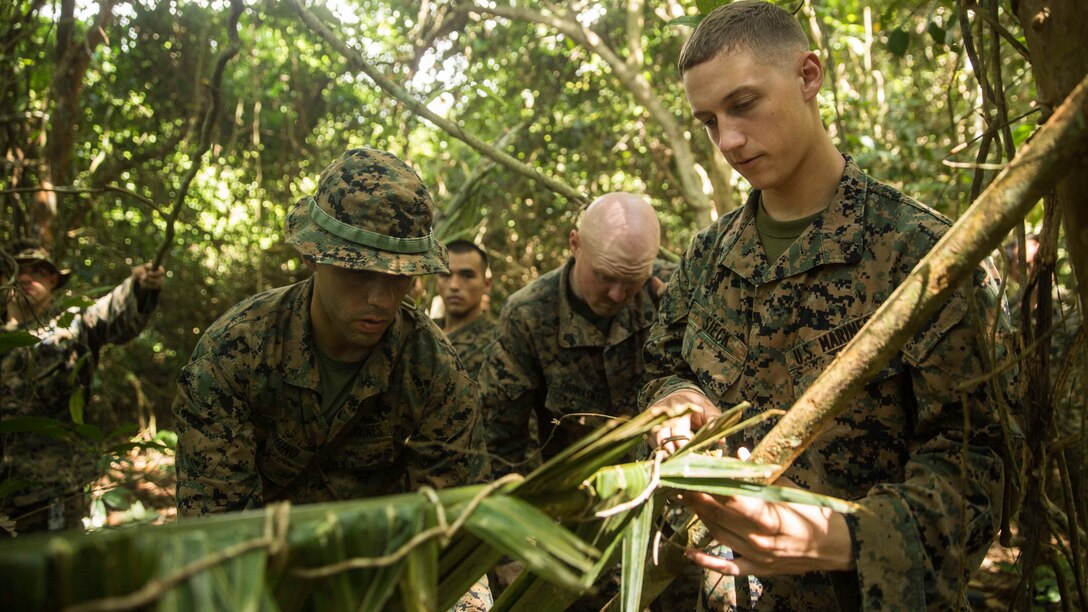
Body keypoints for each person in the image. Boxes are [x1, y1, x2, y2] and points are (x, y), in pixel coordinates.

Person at [643, 2, 1015, 609]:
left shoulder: (926, 255)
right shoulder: (708, 255)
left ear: (808, 76)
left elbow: (984, 463)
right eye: (708, 121)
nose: (728, 141)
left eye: (743, 104)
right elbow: (661, 367)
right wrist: (674, 401)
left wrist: (841, 538)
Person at [172, 148, 492, 609]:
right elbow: (216, 533)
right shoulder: (234, 352)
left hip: (385, 573)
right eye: (359, 272)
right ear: (312, 256)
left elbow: (450, 529)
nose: (381, 298)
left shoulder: (435, 370)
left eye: (399, 276)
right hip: (262, 572)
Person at [478, 192, 674, 477]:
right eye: (605, 276)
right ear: (575, 244)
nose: (617, 295)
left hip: (663, 483)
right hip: (573, 490)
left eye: (633, 280)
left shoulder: (673, 293)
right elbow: (500, 440)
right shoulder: (528, 314)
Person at [1, 239, 164, 534]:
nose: (25, 277)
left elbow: (110, 313)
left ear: (53, 280)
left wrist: (139, 286)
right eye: (17, 270)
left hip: (52, 493)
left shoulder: (71, 328)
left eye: (37, 271)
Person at [435, 240, 495, 379]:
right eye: (446, 275)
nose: (454, 286)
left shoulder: (496, 341)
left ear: (486, 284)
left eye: (467, 275)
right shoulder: (421, 330)